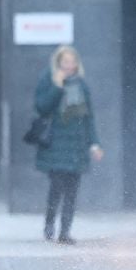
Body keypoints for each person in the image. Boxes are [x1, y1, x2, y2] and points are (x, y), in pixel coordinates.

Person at [32, 45, 103, 244]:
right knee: (56, 189)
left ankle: (65, 232)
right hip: (55, 145)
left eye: (72, 62)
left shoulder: (81, 85)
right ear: (58, 62)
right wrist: (57, 86)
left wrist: (94, 144)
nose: (69, 66)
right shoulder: (48, 79)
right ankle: (49, 225)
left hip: (77, 146)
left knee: (72, 192)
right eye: (65, 62)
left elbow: (89, 118)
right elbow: (42, 107)